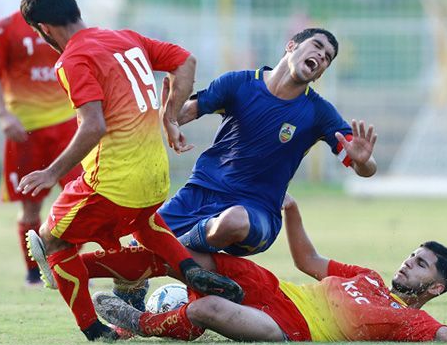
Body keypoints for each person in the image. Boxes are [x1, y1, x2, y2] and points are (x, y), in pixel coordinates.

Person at [17, 0, 243, 341]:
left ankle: (94, 331)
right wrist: (169, 117)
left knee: (53, 241)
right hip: (155, 176)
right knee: (144, 223)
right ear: (74, 8)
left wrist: (51, 172)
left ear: (44, 29)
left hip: (114, 180)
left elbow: (93, 126)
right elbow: (186, 61)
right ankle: (189, 269)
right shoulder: (126, 38)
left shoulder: (72, 59)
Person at [91, 194, 447, 343]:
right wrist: (292, 211)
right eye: (411, 255)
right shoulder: (368, 276)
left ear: (435, 288)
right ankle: (101, 271)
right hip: (278, 290)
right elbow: (308, 262)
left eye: (420, 264)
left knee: (205, 310)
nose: (408, 262)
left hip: (287, 327)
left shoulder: (410, 320)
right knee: (189, 258)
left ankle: (139, 323)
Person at [160, 27, 378, 259]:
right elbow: (181, 116)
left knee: (233, 221)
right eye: (317, 46)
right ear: (291, 45)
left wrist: (363, 161)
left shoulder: (319, 112)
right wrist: (169, 109)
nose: (322, 57)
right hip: (201, 191)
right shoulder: (238, 83)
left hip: (257, 211)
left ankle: (173, 254)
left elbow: (365, 168)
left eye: (328, 58)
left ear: (319, 74)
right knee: (138, 242)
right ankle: (134, 286)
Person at [0, 0, 82, 286]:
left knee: (80, 200)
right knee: (30, 206)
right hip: (25, 132)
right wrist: (3, 115)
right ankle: (34, 273)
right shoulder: (5, 28)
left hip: (68, 127)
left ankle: (73, 267)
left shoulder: (68, 26)